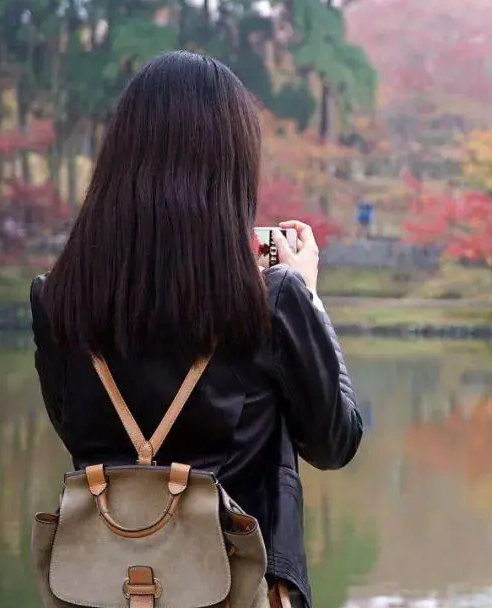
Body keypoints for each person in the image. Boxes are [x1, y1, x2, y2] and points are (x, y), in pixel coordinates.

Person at [28, 51, 362, 608]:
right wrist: (308, 297)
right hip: (237, 589)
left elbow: (80, 436)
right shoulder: (270, 299)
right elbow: (334, 442)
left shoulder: (57, 298)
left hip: (103, 587)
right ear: (232, 165)